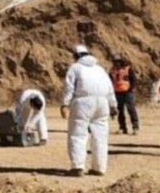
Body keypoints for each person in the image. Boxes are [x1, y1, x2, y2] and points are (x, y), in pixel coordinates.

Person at [60, 44, 118, 177]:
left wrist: (65, 104)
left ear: (76, 56)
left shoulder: (75, 68)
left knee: (78, 134)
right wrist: (113, 106)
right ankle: (99, 168)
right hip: (102, 103)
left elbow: (69, 87)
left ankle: (77, 167)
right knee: (100, 137)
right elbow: (109, 88)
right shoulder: (100, 69)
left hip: (83, 102)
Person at [109, 57, 140, 135]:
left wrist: (130, 89)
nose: (116, 64)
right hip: (117, 92)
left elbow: (133, 80)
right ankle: (122, 127)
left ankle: (135, 127)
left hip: (127, 92)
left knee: (131, 109)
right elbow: (110, 81)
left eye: (118, 62)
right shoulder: (112, 71)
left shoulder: (128, 69)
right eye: (115, 62)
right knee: (119, 111)